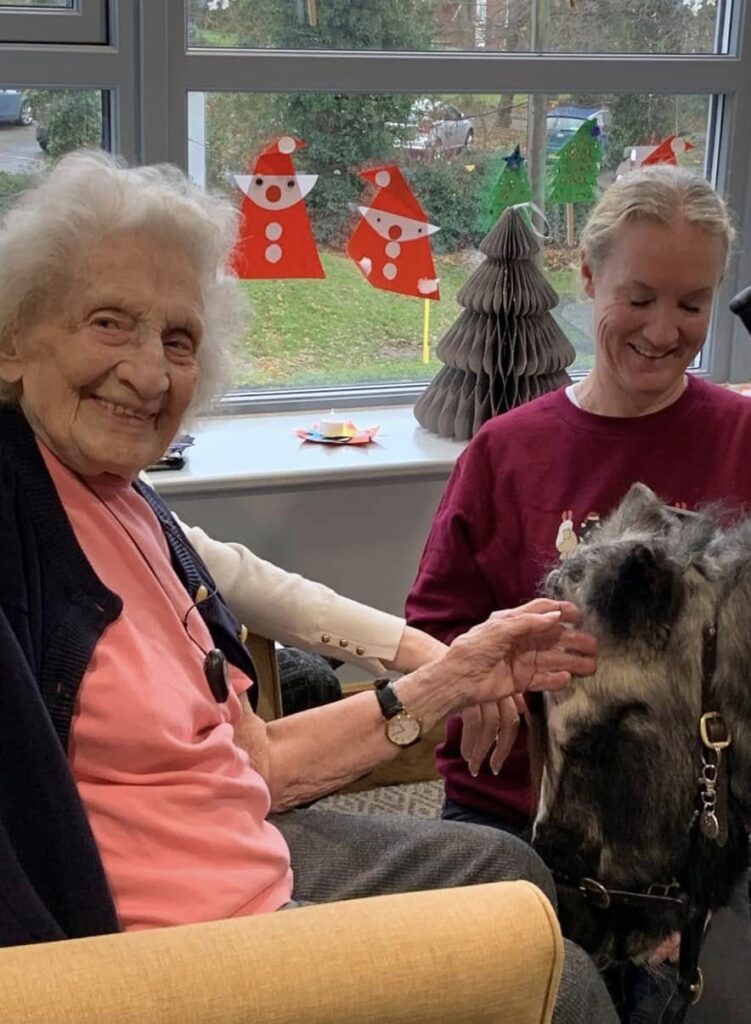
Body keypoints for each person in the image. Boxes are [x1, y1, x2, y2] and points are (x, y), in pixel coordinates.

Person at [0, 150, 619, 1024]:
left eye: (178, 340)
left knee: (507, 865)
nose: (148, 373)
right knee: (554, 974)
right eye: (109, 323)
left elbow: (258, 761)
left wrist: (455, 674)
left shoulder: (130, 507)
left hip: (243, 847)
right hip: (181, 954)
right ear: (14, 337)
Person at [406, 164, 751, 1022]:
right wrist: (470, 671)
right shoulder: (507, 451)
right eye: (638, 297)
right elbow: (430, 626)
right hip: (515, 813)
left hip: (695, 830)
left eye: (692, 302)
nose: (663, 328)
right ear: (589, 278)